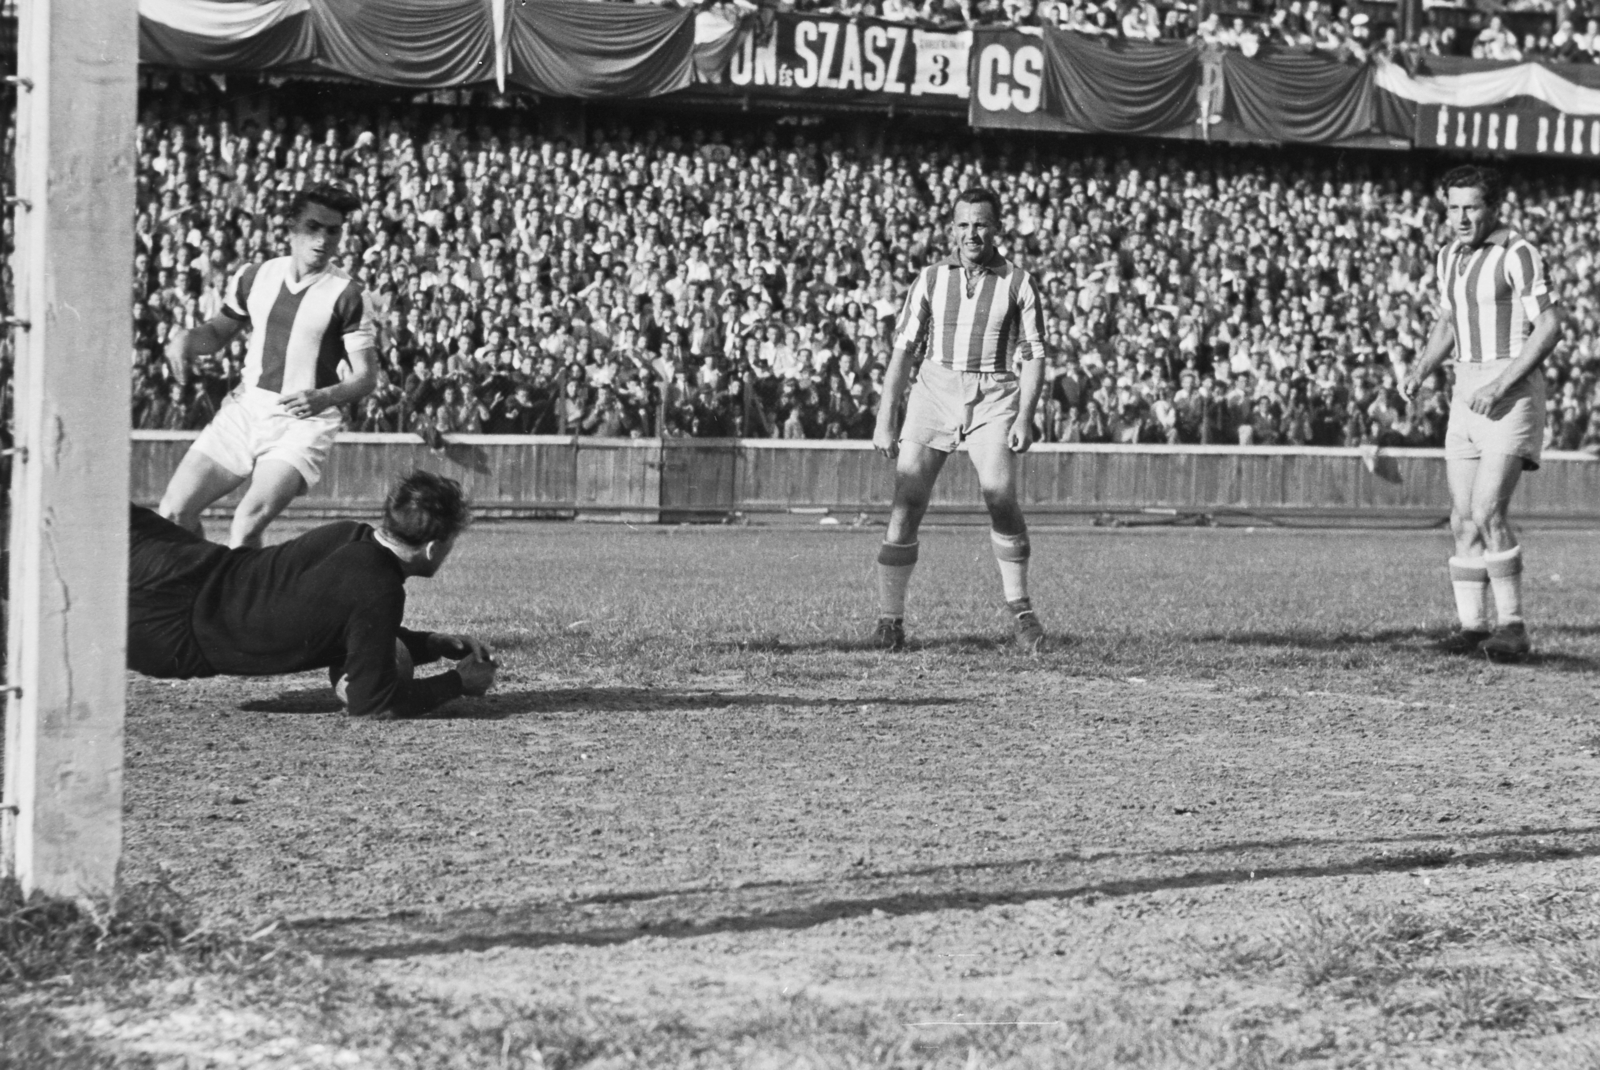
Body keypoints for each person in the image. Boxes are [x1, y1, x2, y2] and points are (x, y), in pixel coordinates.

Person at [129, 469, 497, 719]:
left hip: (180, 559)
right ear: (433, 548)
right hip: (172, 630)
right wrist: (458, 683)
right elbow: (373, 703)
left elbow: (335, 621)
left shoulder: (348, 535)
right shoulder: (379, 590)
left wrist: (431, 644)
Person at [870, 187, 1048, 652]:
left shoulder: (1019, 283)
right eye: (964, 224)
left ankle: (1021, 610)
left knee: (999, 495)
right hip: (934, 389)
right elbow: (904, 350)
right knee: (907, 502)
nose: (972, 233)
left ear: (997, 228)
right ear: (952, 230)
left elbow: (1033, 356)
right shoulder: (930, 279)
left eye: (981, 224)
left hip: (993, 393)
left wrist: (1025, 416)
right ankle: (890, 620)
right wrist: (886, 417)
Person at [158, 184, 378, 548]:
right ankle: (203, 591)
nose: (323, 239)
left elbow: (366, 377)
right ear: (291, 227)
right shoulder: (255, 276)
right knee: (174, 513)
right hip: (247, 409)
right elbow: (215, 334)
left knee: (245, 525)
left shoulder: (349, 295)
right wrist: (184, 340)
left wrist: (325, 396)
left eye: (333, 230)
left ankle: (237, 602)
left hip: (304, 422)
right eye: (313, 227)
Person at [1402, 165, 1562, 661]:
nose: (1462, 217)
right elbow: (1449, 320)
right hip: (1466, 388)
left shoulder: (1517, 252)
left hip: (1509, 391)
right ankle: (1474, 629)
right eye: (1453, 207)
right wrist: (1422, 368)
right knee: (1462, 520)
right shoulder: (1448, 256)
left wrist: (1500, 382)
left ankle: (1513, 629)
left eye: (1471, 206)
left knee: (1489, 510)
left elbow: (1550, 327)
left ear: (1493, 207)